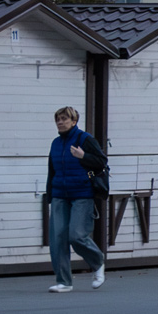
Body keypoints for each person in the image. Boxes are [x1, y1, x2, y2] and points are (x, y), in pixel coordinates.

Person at [45, 107, 107, 292]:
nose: (60, 122)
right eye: (58, 119)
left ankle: (97, 262)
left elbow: (101, 162)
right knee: (57, 239)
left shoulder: (85, 139)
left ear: (74, 121)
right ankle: (64, 282)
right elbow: (52, 170)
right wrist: (50, 194)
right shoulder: (56, 143)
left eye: (64, 119)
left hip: (82, 194)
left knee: (76, 235)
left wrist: (83, 156)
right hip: (59, 195)